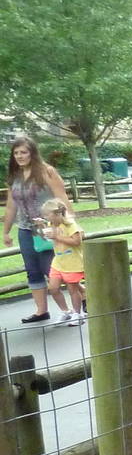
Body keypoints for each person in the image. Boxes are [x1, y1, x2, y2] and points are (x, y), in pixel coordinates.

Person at [3, 134, 73, 324]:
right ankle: (41, 311)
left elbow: (61, 197)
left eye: (23, 152)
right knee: (32, 270)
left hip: (48, 228)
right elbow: (11, 207)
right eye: (16, 153)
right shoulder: (15, 177)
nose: (20, 156)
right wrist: (6, 231)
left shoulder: (46, 171)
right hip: (26, 230)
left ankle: (81, 298)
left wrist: (69, 223)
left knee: (54, 269)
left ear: (32, 153)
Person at [38, 199, 86, 326]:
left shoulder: (70, 225)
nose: (45, 217)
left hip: (72, 262)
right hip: (58, 262)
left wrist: (57, 237)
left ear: (57, 213)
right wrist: (41, 227)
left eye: (47, 214)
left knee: (72, 289)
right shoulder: (51, 224)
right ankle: (66, 311)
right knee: (53, 288)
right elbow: (47, 238)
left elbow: (77, 241)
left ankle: (78, 314)